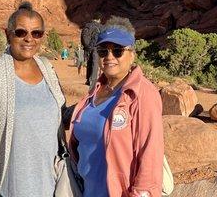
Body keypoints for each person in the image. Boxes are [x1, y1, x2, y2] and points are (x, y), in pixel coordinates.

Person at [0, 2, 68, 197]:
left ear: (43, 36)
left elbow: (60, 113)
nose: (29, 39)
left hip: (52, 185)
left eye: (36, 33)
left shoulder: (47, 68)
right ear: (8, 34)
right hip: (13, 189)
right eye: (21, 32)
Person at [69, 16, 164, 197]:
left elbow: (150, 155)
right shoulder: (95, 91)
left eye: (118, 51)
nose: (109, 57)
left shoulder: (142, 94)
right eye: (103, 51)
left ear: (132, 55)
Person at [80, 13, 102, 88]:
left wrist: (87, 47)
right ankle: (93, 80)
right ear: (99, 19)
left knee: (89, 63)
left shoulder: (87, 26)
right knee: (95, 64)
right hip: (96, 47)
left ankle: (88, 80)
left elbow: (83, 37)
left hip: (88, 48)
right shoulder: (100, 27)